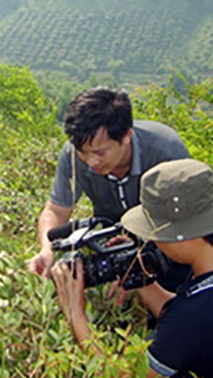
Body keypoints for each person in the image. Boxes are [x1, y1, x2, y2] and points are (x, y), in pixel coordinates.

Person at [51, 159, 213, 378]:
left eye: (157, 235)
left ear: (183, 234)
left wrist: (76, 315)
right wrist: (142, 279)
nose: (153, 243)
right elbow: (189, 326)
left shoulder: (195, 315)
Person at [28, 87, 190, 289]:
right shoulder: (73, 153)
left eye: (100, 152)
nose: (90, 161)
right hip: (111, 239)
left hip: (168, 239)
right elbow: (56, 210)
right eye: (82, 152)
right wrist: (47, 249)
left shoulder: (165, 152)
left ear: (127, 136)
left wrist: (138, 268)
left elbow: (186, 226)